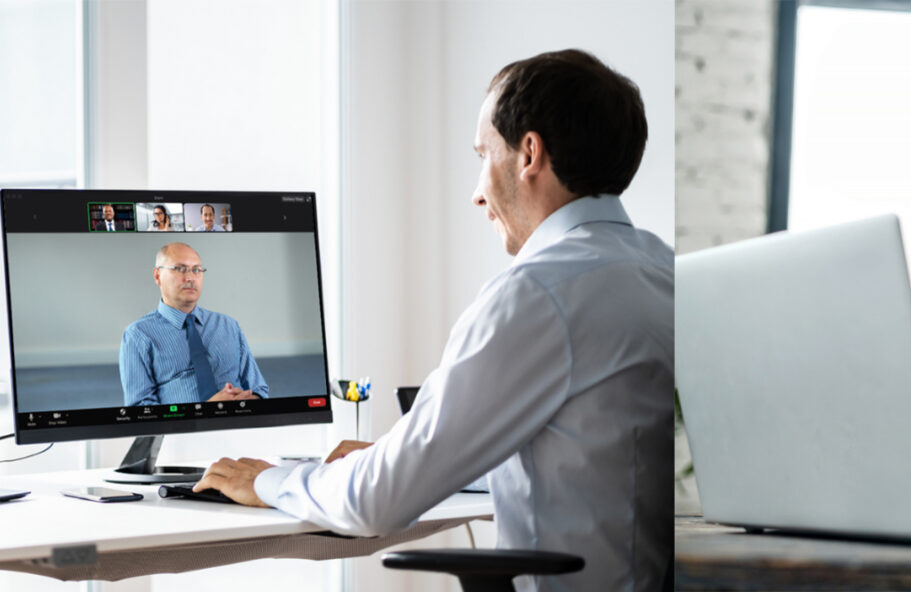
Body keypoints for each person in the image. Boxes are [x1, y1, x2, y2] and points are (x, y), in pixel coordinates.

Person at [188, 49, 666, 590]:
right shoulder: (661, 270)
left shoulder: (537, 294)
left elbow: (376, 502)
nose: (477, 192)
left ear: (529, 153)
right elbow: (597, 461)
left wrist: (271, 480)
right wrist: (408, 454)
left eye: (484, 154)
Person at [118, 242, 270, 407]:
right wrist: (207, 410)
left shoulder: (228, 326)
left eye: (196, 270)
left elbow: (259, 389)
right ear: (157, 276)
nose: (190, 278)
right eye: (180, 269)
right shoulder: (138, 335)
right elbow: (140, 407)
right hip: (182, 430)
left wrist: (250, 401)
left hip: (238, 424)